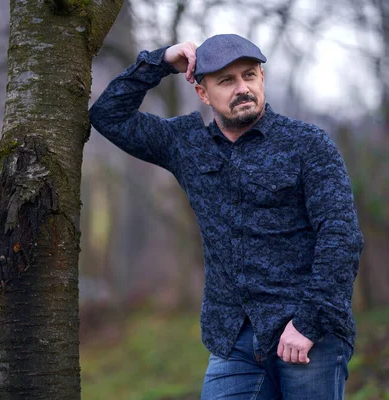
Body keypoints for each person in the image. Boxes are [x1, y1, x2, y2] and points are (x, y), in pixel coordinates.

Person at [89, 33, 364, 399]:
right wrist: (159, 62)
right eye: (226, 81)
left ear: (262, 79)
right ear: (203, 93)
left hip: (307, 332)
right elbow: (108, 115)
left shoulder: (308, 144)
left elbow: (341, 236)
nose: (242, 88)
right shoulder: (186, 145)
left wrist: (309, 322)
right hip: (233, 338)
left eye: (250, 76)